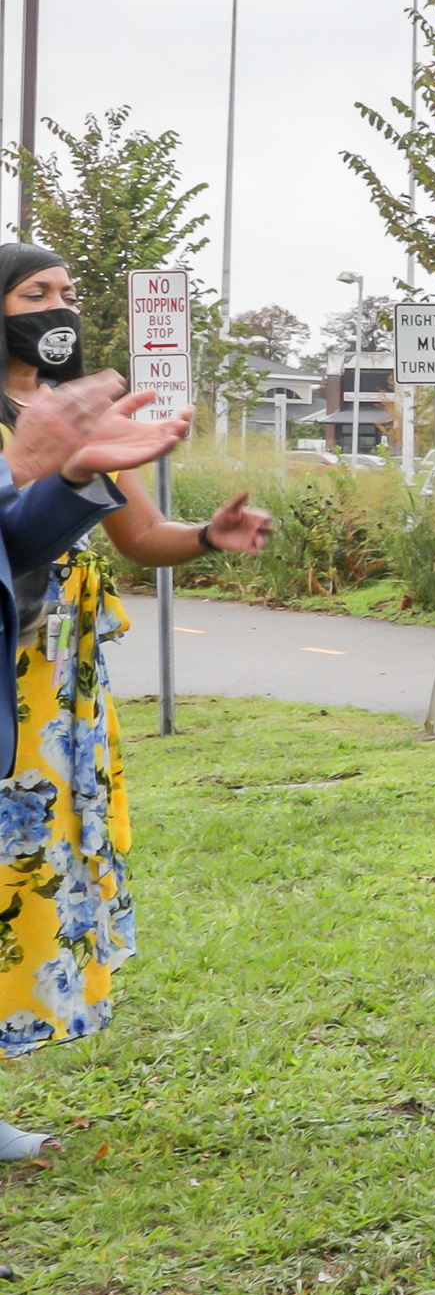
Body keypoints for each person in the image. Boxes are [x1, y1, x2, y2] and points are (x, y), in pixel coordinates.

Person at [0, 243, 255, 1157]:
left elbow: (142, 536)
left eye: (69, 290)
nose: (60, 308)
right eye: (37, 293)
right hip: (7, 661)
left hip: (56, 678)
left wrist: (211, 539)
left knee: (25, 872)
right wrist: (42, 468)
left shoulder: (81, 415)